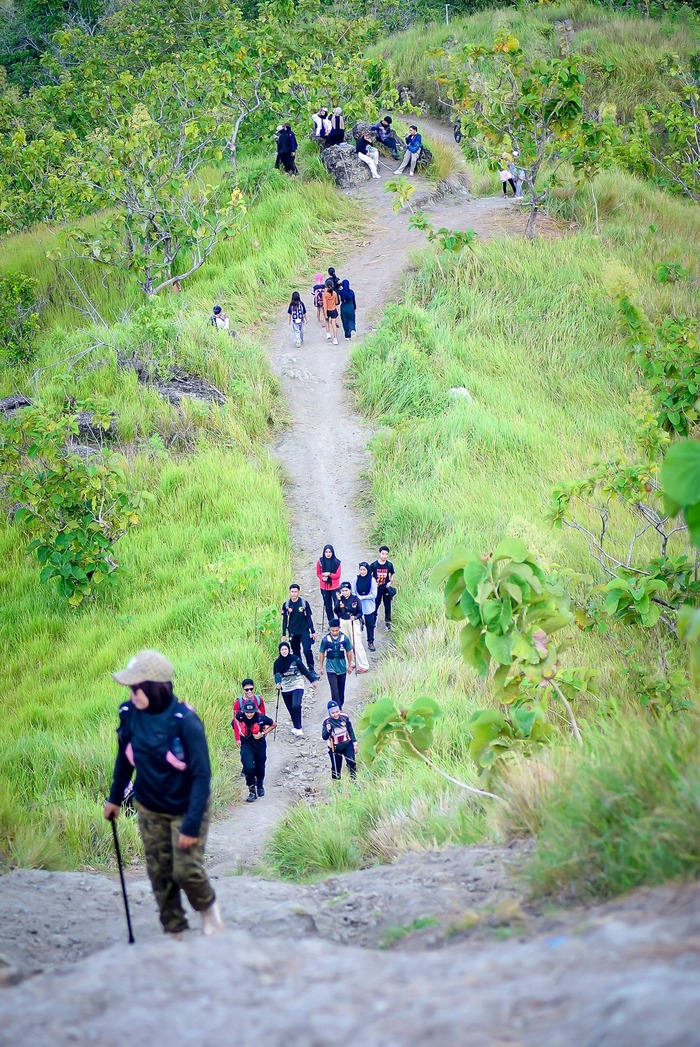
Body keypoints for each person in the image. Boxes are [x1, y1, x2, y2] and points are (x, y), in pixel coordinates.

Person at [103, 649, 224, 938]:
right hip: (149, 806)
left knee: (186, 871)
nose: (130, 694)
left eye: (135, 688)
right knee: (160, 872)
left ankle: (208, 909)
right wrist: (114, 798)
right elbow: (124, 759)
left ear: (153, 687)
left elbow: (201, 776)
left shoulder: (185, 722)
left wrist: (191, 825)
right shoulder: (129, 714)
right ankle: (174, 930)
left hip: (186, 806)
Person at [273, 640, 318, 738]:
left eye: (285, 649)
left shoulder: (295, 659)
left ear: (288, 650)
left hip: (297, 684)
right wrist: (278, 683)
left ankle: (299, 727)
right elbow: (277, 674)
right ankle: (296, 726)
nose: (284, 651)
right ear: (279, 651)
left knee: (296, 705)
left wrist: (312, 681)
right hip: (286, 688)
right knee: (291, 709)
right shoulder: (277, 663)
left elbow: (304, 670)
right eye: (282, 649)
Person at [235, 699, 276, 802]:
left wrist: (262, 734)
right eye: (247, 712)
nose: (249, 714)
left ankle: (260, 784)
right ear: (244, 711)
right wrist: (239, 730)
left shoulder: (261, 718)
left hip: (259, 744)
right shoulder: (240, 716)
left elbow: (274, 724)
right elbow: (234, 721)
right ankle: (252, 791)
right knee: (248, 766)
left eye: (251, 712)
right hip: (246, 744)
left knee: (260, 765)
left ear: (255, 710)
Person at [232, 679, 266, 776]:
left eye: (251, 689)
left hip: (256, 730)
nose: (249, 692)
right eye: (247, 690)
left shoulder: (259, 699)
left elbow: (263, 715)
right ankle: (245, 766)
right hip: (244, 731)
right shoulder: (239, 702)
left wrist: (263, 730)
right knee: (244, 751)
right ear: (243, 690)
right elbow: (235, 721)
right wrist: (237, 738)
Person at [334, 581, 369, 673]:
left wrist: (355, 617)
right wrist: (338, 601)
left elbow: (360, 612)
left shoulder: (355, 599)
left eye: (346, 590)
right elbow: (336, 611)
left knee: (356, 644)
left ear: (350, 590)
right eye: (343, 590)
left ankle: (363, 666)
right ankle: (351, 663)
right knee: (346, 643)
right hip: (343, 621)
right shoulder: (341, 599)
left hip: (353, 622)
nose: (344, 592)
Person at [319, 619, 354, 709]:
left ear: (339, 628)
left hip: (342, 667)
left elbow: (349, 651)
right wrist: (321, 667)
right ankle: (336, 708)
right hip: (330, 667)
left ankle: (340, 704)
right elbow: (322, 653)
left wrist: (350, 665)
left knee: (341, 689)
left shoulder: (344, 639)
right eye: (332, 630)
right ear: (330, 629)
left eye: (336, 630)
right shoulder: (325, 640)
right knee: (334, 689)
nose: (334, 632)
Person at [281, 583, 316, 672]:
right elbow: (284, 620)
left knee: (307, 650)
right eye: (292, 591)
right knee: (296, 652)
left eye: (295, 592)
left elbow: (308, 617)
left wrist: (313, 631)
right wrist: (284, 634)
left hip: (304, 630)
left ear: (299, 592)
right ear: (289, 592)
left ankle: (311, 669)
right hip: (292, 631)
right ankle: (300, 669)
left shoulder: (304, 603)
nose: (294, 594)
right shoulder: (286, 605)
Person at [322, 701, 358, 781]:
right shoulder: (326, 722)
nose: (336, 714)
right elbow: (324, 737)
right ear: (329, 713)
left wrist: (355, 743)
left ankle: (354, 781)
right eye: (333, 713)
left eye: (337, 711)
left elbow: (350, 730)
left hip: (347, 745)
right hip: (334, 748)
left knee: (351, 763)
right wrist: (328, 730)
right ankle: (336, 785)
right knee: (336, 767)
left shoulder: (345, 717)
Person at [353, 562, 378, 651]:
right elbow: (353, 592)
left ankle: (370, 641)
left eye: (364, 570)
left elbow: (374, 594)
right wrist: (357, 599)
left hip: (369, 607)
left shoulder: (372, 580)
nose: (362, 572)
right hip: (358, 607)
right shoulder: (356, 579)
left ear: (368, 570)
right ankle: (357, 642)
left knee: (370, 625)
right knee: (357, 625)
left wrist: (362, 597)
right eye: (361, 570)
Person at [371, 545, 396, 631]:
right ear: (379, 553)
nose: (384, 556)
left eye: (386, 554)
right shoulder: (374, 565)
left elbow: (392, 573)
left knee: (387, 606)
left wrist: (390, 581)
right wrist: (372, 583)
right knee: (375, 605)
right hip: (377, 589)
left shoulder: (389, 565)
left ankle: (388, 623)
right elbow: (368, 574)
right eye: (383, 553)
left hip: (386, 589)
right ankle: (373, 620)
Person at [316, 544, 342, 622]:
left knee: (337, 605)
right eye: (326, 552)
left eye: (330, 552)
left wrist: (329, 574)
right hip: (324, 587)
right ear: (324, 553)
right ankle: (331, 622)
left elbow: (338, 575)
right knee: (328, 606)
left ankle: (340, 621)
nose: (328, 554)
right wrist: (322, 578)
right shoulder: (320, 562)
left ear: (332, 552)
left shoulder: (337, 562)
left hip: (335, 587)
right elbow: (318, 573)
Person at [322, 278, 340, 345]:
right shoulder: (334, 293)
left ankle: (328, 333)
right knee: (334, 324)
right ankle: (335, 339)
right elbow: (337, 302)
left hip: (327, 310)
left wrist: (325, 314)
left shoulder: (325, 294)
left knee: (327, 322)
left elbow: (325, 304)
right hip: (333, 310)